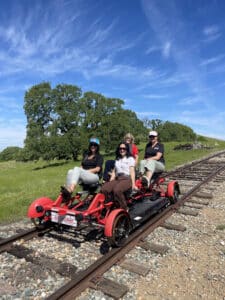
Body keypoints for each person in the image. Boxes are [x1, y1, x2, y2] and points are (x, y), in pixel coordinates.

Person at [101, 142, 137, 210]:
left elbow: (132, 171)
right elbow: (114, 171)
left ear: (127, 149)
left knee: (117, 190)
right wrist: (111, 180)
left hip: (127, 179)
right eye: (120, 148)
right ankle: (110, 206)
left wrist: (133, 184)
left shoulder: (130, 159)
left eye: (124, 148)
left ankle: (124, 208)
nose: (122, 150)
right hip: (118, 179)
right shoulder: (117, 159)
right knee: (104, 189)